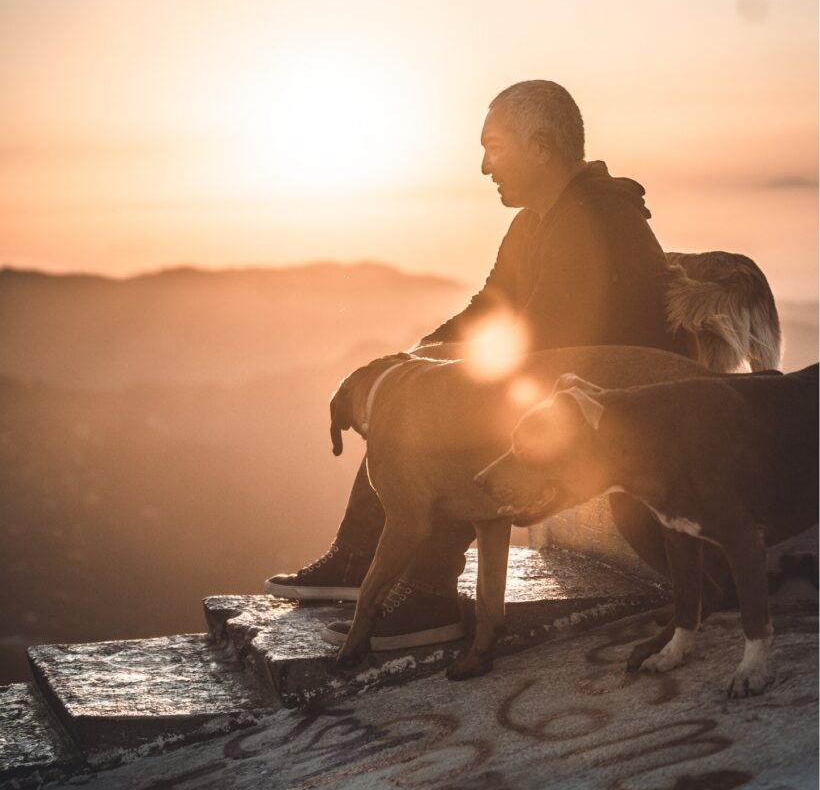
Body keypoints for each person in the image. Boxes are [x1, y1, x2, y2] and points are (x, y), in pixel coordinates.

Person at [265, 79, 686, 649]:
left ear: (540, 148)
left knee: (439, 417)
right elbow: (492, 309)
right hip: (559, 386)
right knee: (405, 386)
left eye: (495, 147)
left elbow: (548, 343)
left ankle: (429, 591)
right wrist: (413, 358)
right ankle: (357, 559)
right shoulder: (534, 222)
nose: (485, 167)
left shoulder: (595, 221)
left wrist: (436, 379)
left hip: (606, 405)